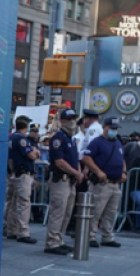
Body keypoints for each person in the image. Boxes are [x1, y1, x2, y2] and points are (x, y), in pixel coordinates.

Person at [80, 116, 126, 247]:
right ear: (105, 127)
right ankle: (90, 236)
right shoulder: (97, 142)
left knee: (111, 212)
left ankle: (107, 236)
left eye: (116, 129)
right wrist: (98, 171)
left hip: (115, 183)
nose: (114, 131)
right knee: (96, 210)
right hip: (101, 183)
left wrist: (124, 172)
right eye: (112, 128)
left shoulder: (117, 142)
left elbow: (121, 159)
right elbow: (86, 158)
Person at [44, 108, 82, 255]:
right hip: (61, 179)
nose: (73, 122)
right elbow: (59, 162)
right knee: (58, 212)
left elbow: (74, 159)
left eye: (74, 119)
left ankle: (58, 239)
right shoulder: (58, 138)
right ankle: (52, 242)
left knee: (67, 213)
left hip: (70, 181)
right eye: (70, 119)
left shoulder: (70, 139)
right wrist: (76, 173)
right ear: (62, 121)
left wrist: (76, 172)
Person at [3, 115, 40, 244]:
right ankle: (23, 232)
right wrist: (36, 151)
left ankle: (11, 229)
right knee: (23, 203)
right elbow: (31, 156)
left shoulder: (10, 138)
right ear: (26, 126)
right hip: (23, 173)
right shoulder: (22, 139)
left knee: (12, 202)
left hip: (13, 173)